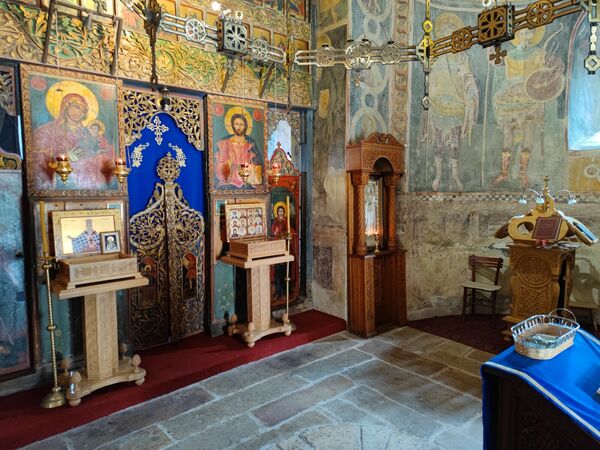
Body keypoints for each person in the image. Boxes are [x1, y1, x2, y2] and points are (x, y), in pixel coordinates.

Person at [33, 92, 114, 189]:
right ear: (66, 106)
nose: (79, 112)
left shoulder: (88, 133)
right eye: (76, 107)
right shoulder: (49, 131)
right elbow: (40, 158)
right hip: (64, 181)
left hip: (90, 183)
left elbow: (96, 152)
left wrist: (100, 153)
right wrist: (67, 158)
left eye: (83, 110)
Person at [215, 113, 261, 188]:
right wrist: (227, 164)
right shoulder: (225, 143)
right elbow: (220, 165)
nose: (238, 127)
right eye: (236, 124)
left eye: (241, 124)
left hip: (246, 179)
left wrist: (252, 167)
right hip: (230, 180)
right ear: (233, 125)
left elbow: (257, 164)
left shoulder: (250, 144)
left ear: (245, 126)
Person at [271, 205, 289, 299]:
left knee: (283, 272)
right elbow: (273, 233)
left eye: (282, 211)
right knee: (278, 271)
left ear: (284, 212)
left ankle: (283, 292)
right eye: (279, 211)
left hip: (285, 247)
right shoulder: (275, 222)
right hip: (277, 248)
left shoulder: (286, 222)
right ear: (277, 212)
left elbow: (289, 232)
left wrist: (284, 234)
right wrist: (276, 233)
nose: (280, 213)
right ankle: (278, 292)